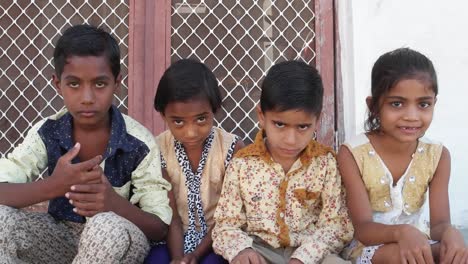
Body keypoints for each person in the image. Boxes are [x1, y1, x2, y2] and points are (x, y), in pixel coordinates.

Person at [0, 24, 172, 263]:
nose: (87, 98)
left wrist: (112, 203)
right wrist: (53, 186)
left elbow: (159, 227)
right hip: (59, 238)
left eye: (99, 84)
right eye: (74, 84)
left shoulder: (138, 142)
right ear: (57, 83)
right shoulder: (48, 132)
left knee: (105, 226)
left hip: (119, 237)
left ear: (117, 83)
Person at [212, 60, 353, 264]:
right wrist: (241, 251)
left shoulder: (325, 163)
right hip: (259, 251)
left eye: (303, 127)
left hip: (312, 252)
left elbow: (337, 225)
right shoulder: (242, 164)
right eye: (279, 124)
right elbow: (226, 224)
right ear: (261, 116)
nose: (290, 139)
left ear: (317, 120)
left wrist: (303, 258)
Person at [338, 48, 468, 264]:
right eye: (397, 104)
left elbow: (439, 225)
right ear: (373, 106)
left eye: (423, 104)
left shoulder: (438, 156)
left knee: (455, 253)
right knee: (403, 258)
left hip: (418, 242)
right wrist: (402, 233)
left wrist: (450, 233)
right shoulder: (353, 154)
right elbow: (362, 228)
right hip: (368, 246)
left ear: (434, 103)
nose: (411, 116)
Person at [145, 58, 244, 264]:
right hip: (172, 240)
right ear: (163, 115)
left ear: (215, 110)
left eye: (201, 119)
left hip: (219, 238)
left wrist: (196, 255)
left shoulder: (232, 148)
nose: (190, 132)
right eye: (178, 121)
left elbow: (229, 216)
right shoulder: (158, 150)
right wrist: (178, 258)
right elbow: (170, 216)